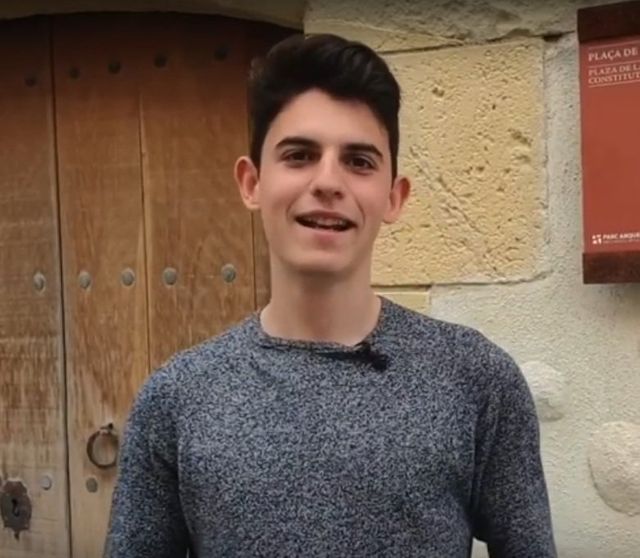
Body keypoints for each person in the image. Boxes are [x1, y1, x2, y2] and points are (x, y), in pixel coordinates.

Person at [104, 33, 556, 557]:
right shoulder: (176, 399)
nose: (328, 182)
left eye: (359, 161)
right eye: (299, 155)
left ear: (394, 196)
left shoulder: (476, 378)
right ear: (252, 183)